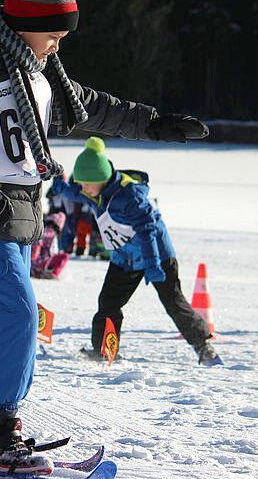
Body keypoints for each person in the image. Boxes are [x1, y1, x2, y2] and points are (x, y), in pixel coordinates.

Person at [0, 0, 209, 475]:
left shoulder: (35, 74)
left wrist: (154, 123)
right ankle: (0, 431)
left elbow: (92, 109)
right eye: (52, 35)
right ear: (24, 24)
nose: (56, 47)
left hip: (17, 211)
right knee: (16, 316)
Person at [51, 137, 222, 365]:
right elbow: (76, 192)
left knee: (173, 301)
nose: (82, 188)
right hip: (125, 257)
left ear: (100, 178)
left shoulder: (129, 196)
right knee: (109, 303)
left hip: (157, 255)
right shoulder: (95, 191)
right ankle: (103, 350)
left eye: (85, 183)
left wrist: (152, 263)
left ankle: (204, 346)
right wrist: (60, 187)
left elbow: (147, 228)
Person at [30, 212, 69, 279]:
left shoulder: (48, 229)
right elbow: (41, 239)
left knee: (61, 255)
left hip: (43, 260)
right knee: (65, 256)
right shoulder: (50, 231)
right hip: (42, 260)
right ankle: (53, 273)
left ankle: (40, 270)